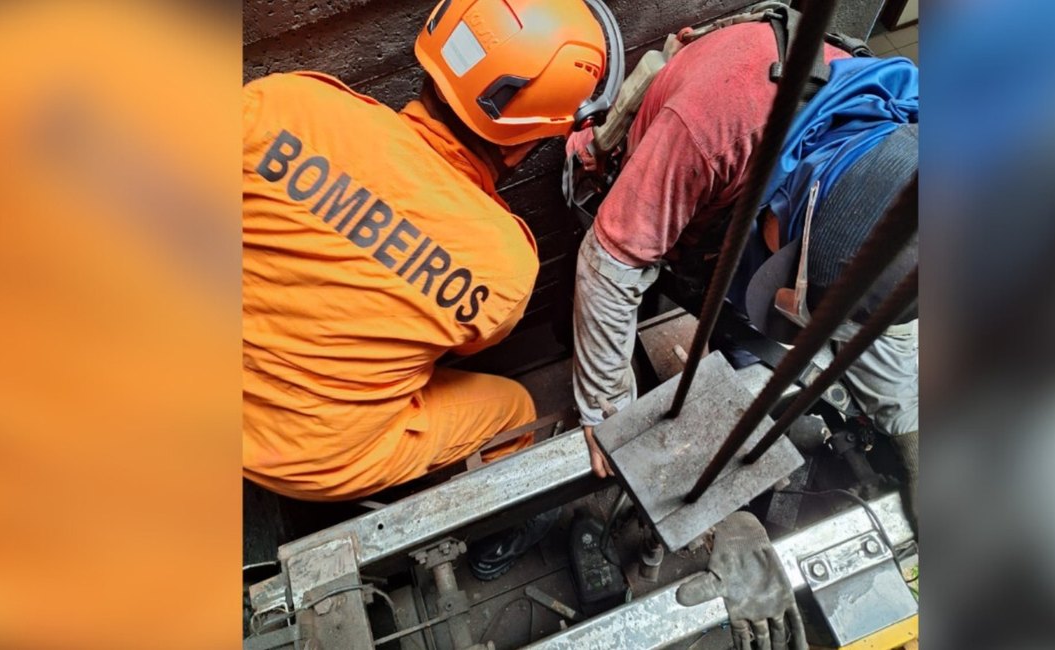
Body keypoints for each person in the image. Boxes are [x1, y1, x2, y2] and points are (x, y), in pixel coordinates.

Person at [242, 0, 621, 515]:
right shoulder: (504, 266)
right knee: (514, 411)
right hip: (307, 457)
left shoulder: (283, 101)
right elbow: (465, 346)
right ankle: (493, 530)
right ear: (521, 146)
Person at [566, 15, 920, 523]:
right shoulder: (713, 128)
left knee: (754, 350)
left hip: (741, 210)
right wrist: (608, 415)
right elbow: (610, 262)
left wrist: (909, 425)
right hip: (687, 192)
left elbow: (878, 304)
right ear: (796, 207)